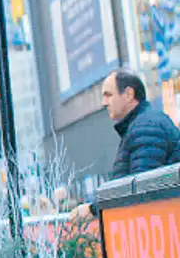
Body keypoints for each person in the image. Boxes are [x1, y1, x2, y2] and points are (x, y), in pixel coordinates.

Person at [72, 69, 180, 219]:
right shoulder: (141, 125)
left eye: (109, 95)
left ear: (129, 94)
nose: (104, 103)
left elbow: (141, 188)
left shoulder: (146, 127)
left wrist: (93, 209)